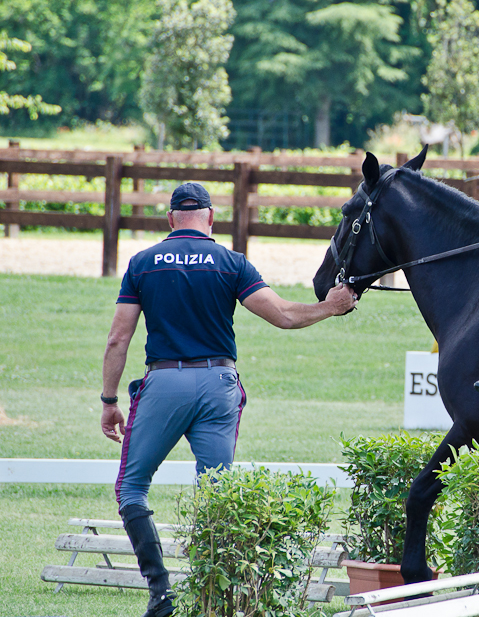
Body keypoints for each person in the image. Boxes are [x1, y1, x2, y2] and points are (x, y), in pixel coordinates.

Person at [99, 182, 356, 617]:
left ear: (170, 218)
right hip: (218, 383)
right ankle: (213, 597)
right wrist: (331, 306)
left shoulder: (143, 263)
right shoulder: (231, 262)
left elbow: (117, 338)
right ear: (211, 217)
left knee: (131, 488)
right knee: (218, 494)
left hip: (164, 383)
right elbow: (283, 315)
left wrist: (109, 399)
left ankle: (161, 593)